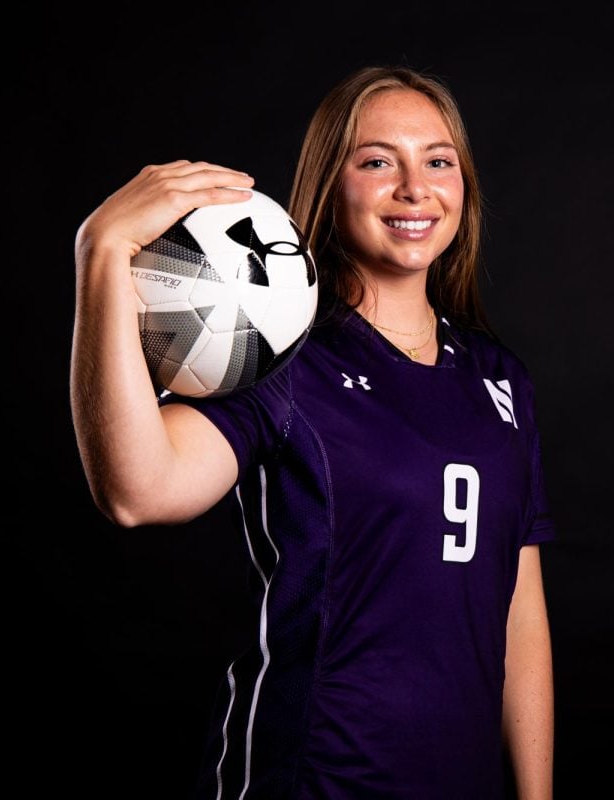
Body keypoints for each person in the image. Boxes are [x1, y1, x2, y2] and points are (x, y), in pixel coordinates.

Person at [70, 65, 555, 799]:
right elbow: (139, 490)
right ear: (332, 185)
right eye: (376, 162)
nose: (413, 188)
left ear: (465, 187)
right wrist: (101, 254)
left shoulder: (499, 379)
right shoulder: (280, 357)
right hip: (312, 778)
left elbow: (519, 610)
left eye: (438, 161)